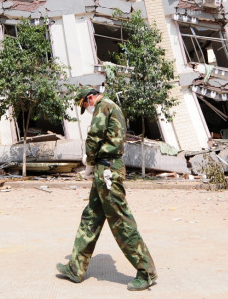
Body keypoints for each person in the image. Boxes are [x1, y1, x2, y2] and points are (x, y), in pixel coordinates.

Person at [56, 88, 157, 292]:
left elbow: (94, 137)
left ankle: (146, 271)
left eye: (86, 105)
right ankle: (75, 268)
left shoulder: (103, 107)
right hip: (106, 168)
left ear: (90, 98)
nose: (88, 109)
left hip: (108, 169)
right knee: (91, 216)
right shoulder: (113, 107)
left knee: (120, 220)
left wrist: (89, 160)